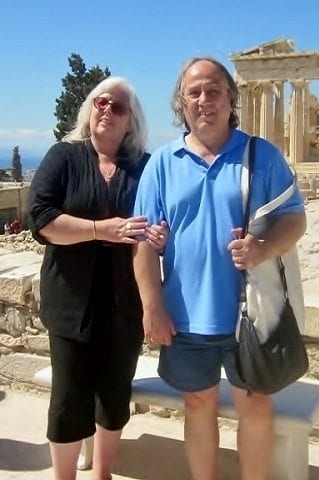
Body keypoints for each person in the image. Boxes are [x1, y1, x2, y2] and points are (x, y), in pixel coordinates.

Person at [132, 57, 306, 480]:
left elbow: (295, 219)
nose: (204, 100)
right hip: (185, 314)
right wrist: (152, 306)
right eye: (194, 92)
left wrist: (261, 248)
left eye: (213, 90)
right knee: (197, 405)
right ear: (182, 103)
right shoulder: (161, 163)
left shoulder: (260, 155)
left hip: (249, 313)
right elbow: (142, 242)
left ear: (231, 98)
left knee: (256, 405)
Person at [27, 76, 168, 480]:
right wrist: (102, 230)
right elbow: (42, 219)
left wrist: (161, 236)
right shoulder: (63, 156)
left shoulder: (146, 166)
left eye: (118, 107)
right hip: (71, 302)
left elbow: (161, 221)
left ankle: (102, 473)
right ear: (89, 110)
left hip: (125, 303)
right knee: (69, 397)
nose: (107, 110)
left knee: (114, 394)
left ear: (131, 121)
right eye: (101, 102)